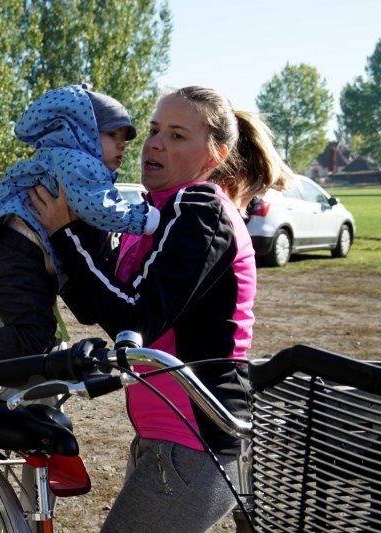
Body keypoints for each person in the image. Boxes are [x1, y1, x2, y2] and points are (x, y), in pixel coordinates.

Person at [27, 86, 292, 533]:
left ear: (214, 155)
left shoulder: (201, 211)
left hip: (196, 441)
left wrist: (65, 234)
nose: (154, 144)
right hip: (162, 437)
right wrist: (70, 224)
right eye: (153, 130)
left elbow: (136, 320)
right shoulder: (155, 213)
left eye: (176, 135)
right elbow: (96, 305)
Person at [0, 84, 161, 407]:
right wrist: (147, 218)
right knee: (34, 331)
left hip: (1, 260)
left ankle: (32, 358)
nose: (123, 144)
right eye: (112, 135)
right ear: (81, 132)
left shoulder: (58, 160)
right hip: (17, 261)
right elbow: (100, 208)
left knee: (38, 329)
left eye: (125, 138)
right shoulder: (78, 164)